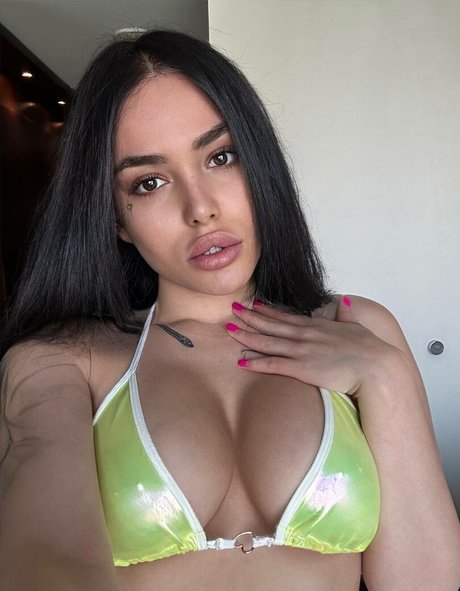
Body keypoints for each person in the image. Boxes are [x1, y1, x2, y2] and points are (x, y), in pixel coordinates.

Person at [0, 29, 458, 591]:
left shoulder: (358, 329)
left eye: (221, 156)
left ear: (259, 161)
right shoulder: (63, 362)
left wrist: (386, 376)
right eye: (149, 182)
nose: (201, 209)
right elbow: (45, 557)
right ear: (116, 218)